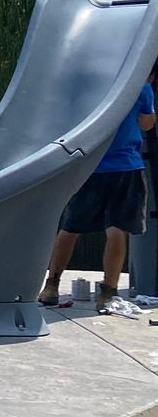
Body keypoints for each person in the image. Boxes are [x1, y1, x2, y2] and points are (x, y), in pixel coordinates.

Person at [41, 74, 157, 314]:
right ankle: (107, 294)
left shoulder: (96, 84)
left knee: (71, 227)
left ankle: (51, 286)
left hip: (89, 165)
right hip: (126, 167)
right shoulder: (141, 88)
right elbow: (147, 124)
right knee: (117, 230)